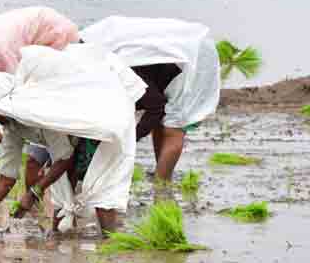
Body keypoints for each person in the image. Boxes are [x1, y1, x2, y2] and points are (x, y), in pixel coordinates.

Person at [0, 45, 145, 235]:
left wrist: (34, 193)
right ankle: (64, 242)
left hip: (104, 125)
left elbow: (65, 158)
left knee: (101, 191)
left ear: (5, 106)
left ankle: (112, 245)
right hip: (72, 142)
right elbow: (6, 179)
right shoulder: (12, 126)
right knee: (62, 196)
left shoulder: (41, 110)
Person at [79, 17, 221, 181]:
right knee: (160, 120)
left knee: (173, 128)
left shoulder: (114, 70)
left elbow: (156, 107)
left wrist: (131, 139)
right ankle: (160, 171)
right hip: (171, 52)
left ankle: (162, 184)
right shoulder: (91, 57)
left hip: (194, 56)